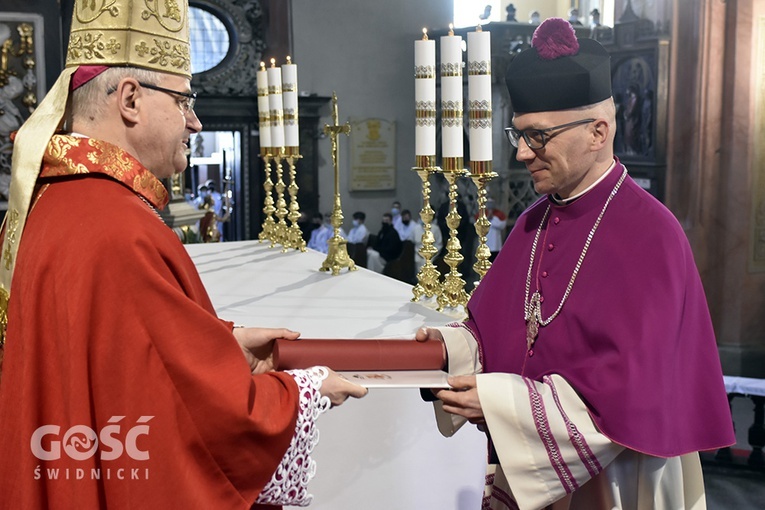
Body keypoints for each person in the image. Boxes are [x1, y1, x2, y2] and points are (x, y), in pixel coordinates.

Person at [0, 0, 367, 508]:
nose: (194, 123)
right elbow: (188, 421)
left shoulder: (55, 201)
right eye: (184, 100)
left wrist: (222, 343)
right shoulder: (115, 226)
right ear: (130, 99)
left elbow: (119, 365)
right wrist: (302, 393)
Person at [416, 18, 734, 510]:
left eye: (538, 137)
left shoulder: (653, 235)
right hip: (538, 476)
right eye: (517, 134)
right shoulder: (532, 222)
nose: (521, 152)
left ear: (598, 132)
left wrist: (500, 404)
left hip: (624, 479)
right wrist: (445, 347)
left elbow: (629, 391)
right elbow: (496, 327)